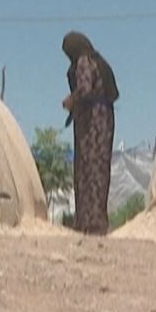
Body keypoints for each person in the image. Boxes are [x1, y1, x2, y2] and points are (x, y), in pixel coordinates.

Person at [61, 31, 119, 235]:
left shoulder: (84, 62)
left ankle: (89, 222)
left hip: (92, 122)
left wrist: (70, 101)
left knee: (88, 169)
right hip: (104, 118)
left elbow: (84, 89)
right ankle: (96, 221)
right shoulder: (97, 61)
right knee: (99, 169)